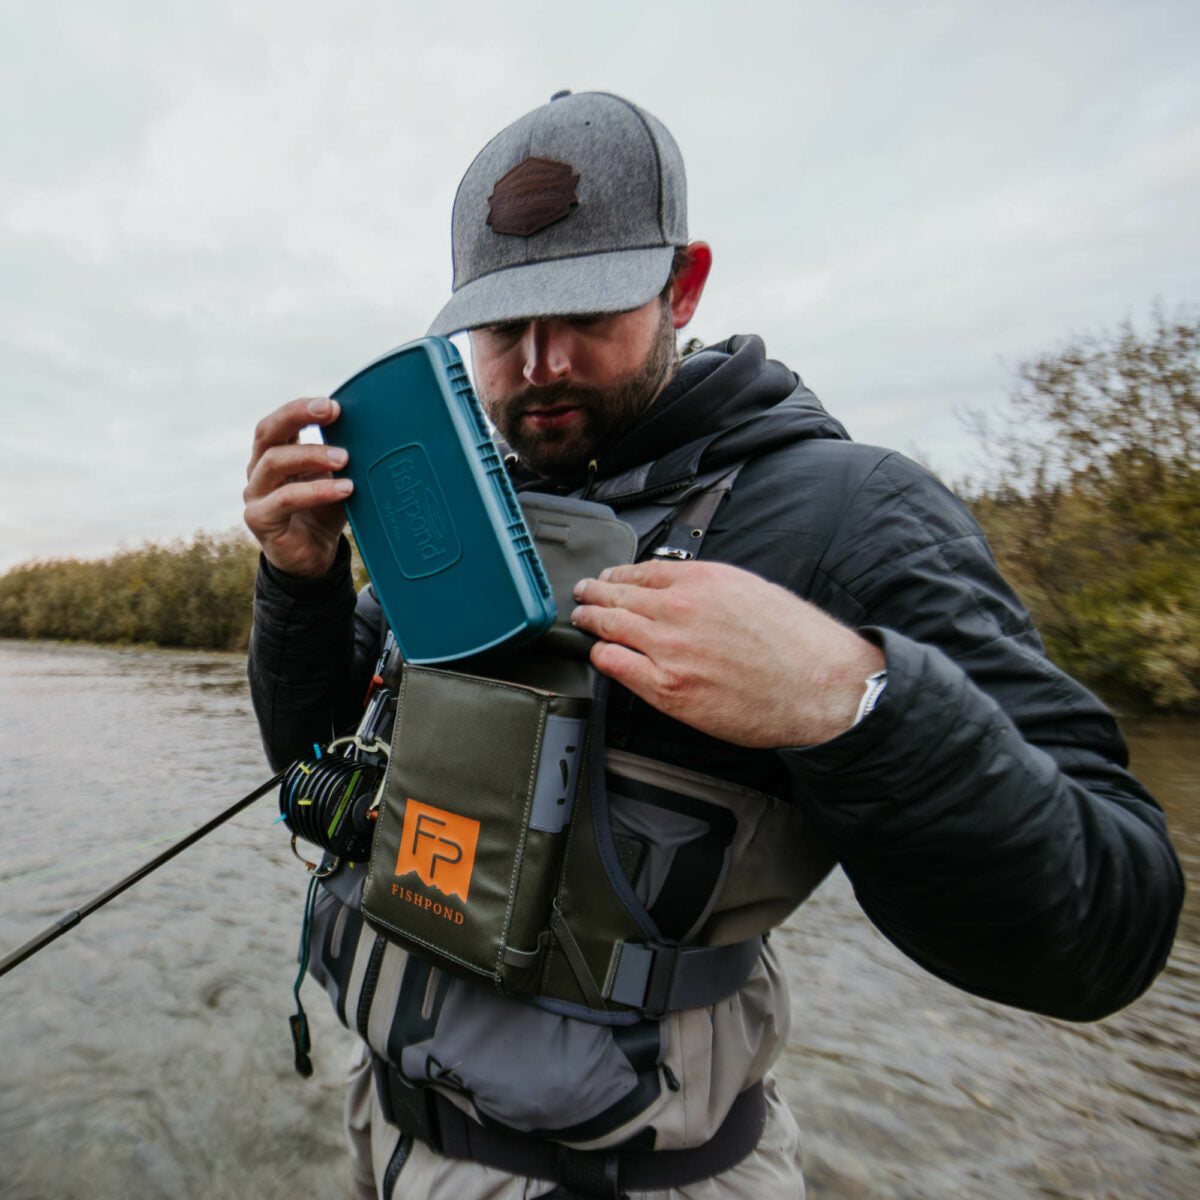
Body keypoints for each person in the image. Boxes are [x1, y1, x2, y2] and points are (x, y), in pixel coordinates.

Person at [243, 91, 1184, 1199]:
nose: (541, 362)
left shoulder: (852, 514)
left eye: (587, 311)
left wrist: (857, 701)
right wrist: (299, 587)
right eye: (502, 329)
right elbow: (311, 762)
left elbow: (1106, 932)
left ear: (682, 286)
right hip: (385, 1126)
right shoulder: (453, 506)